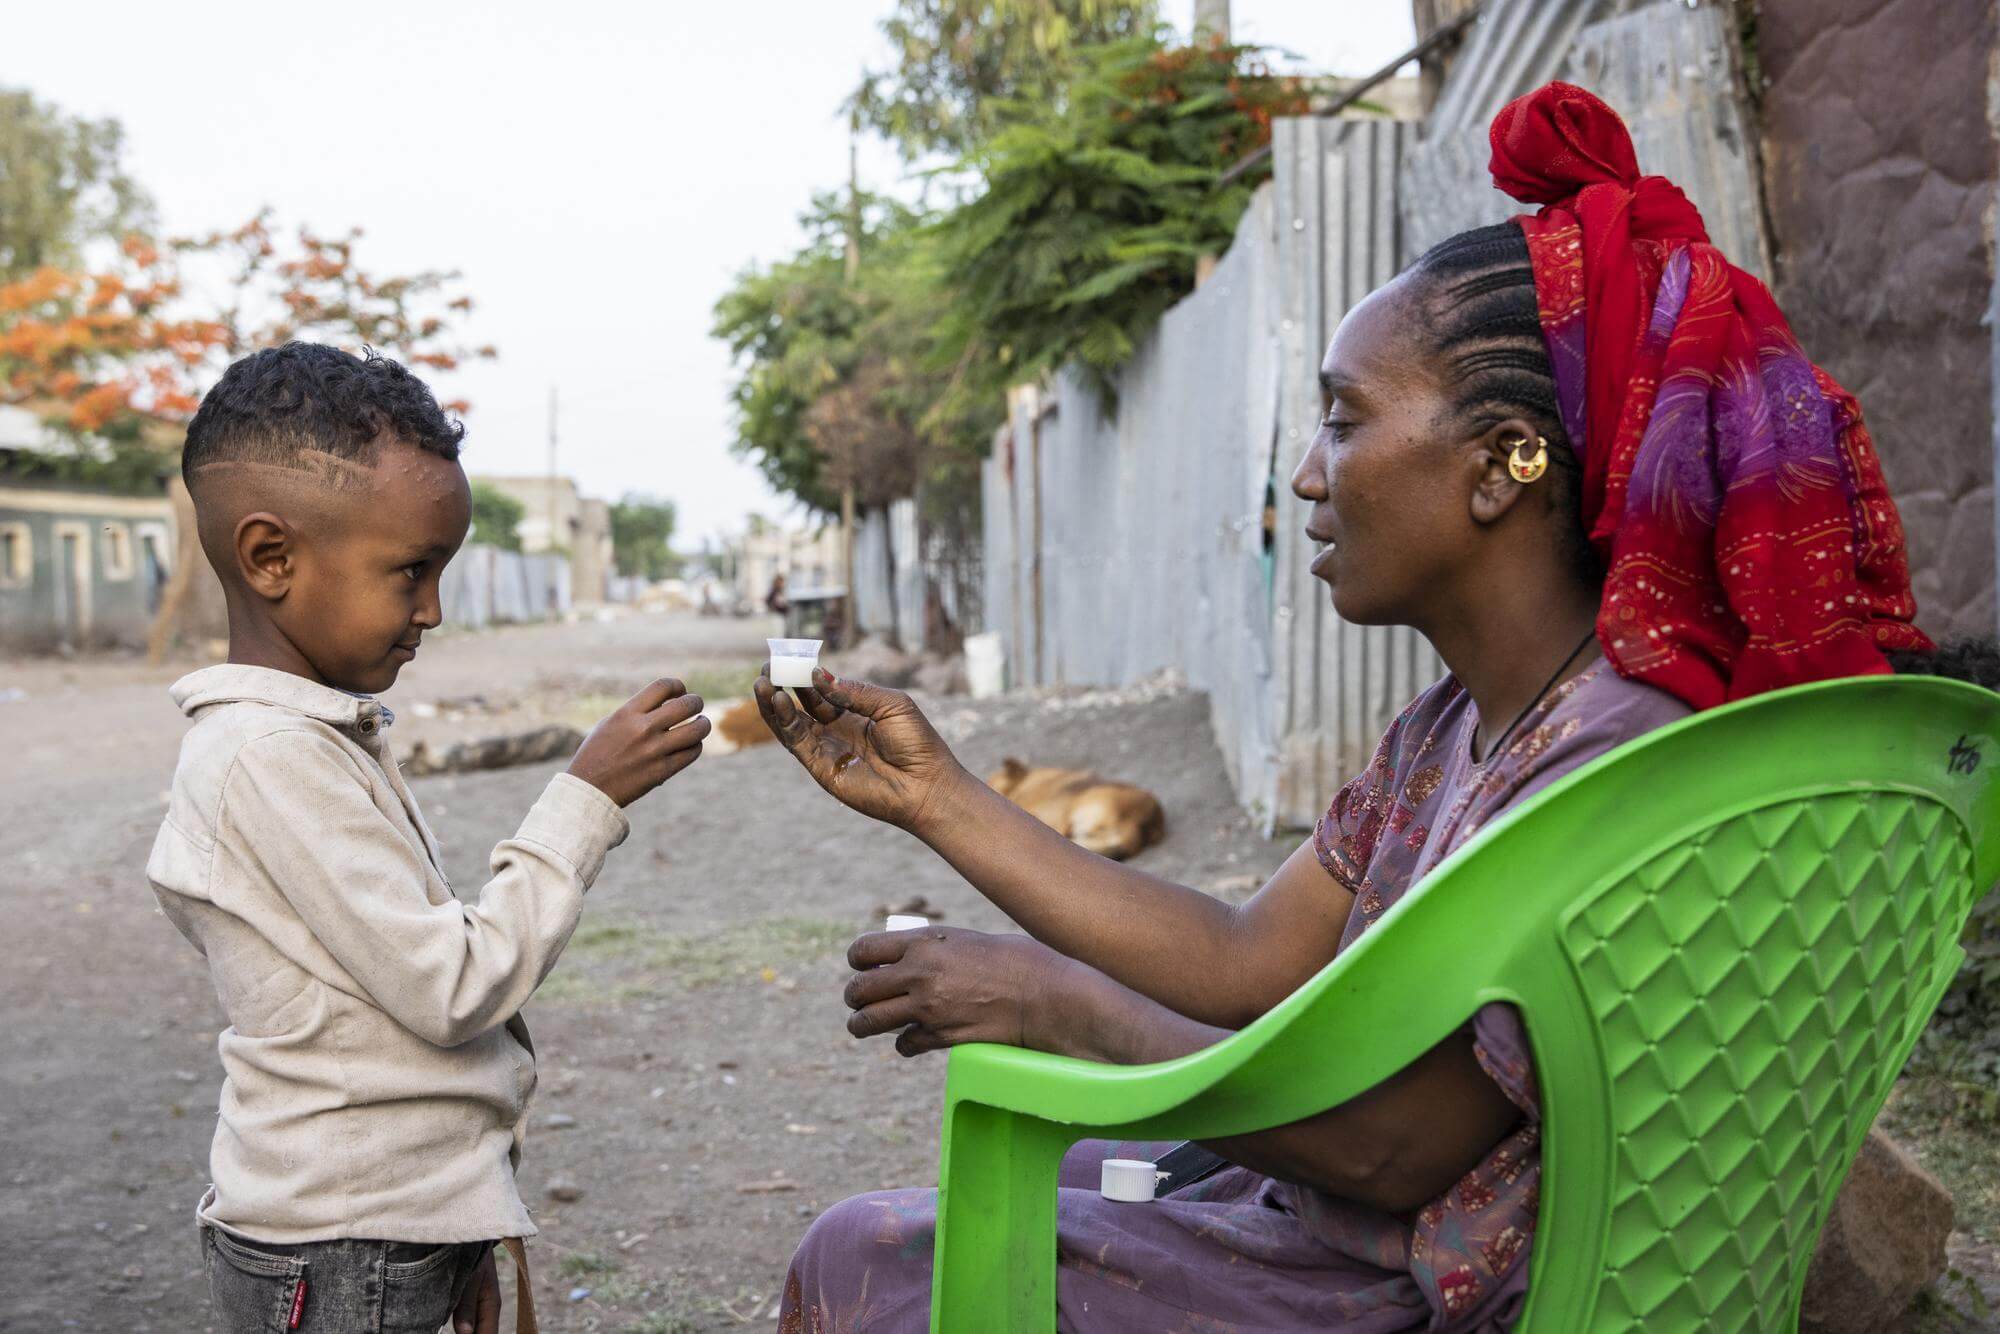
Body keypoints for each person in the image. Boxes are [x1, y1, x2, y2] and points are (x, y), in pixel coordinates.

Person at [753, 82, 1934, 1332]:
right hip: (1367, 1241)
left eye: (1343, 417)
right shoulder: (1454, 730)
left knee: (865, 1254)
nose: (1310, 475)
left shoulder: (1610, 760)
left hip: (1428, 1293)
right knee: (1081, 1172)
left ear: (1501, 463)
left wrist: (1054, 999)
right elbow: (1243, 960)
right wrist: (937, 796)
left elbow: (1388, 1149)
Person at [147, 344, 711, 1334]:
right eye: (411, 569)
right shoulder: (266, 756)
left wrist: (458, 1222)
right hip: (340, 1247)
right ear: (270, 557)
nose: (434, 609)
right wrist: (585, 796)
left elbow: (384, 1037)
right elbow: (452, 985)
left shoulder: (307, 737)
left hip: (382, 1228)